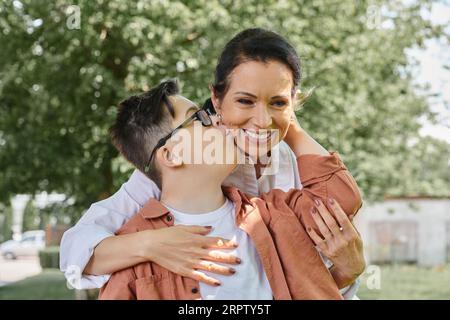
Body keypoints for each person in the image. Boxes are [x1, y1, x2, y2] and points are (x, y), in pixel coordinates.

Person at [60, 28, 365, 298]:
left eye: (278, 102)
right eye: (245, 101)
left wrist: (289, 128)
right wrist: (150, 245)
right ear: (216, 102)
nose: (262, 121)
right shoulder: (161, 177)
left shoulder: (287, 177)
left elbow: (310, 271)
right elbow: (77, 248)